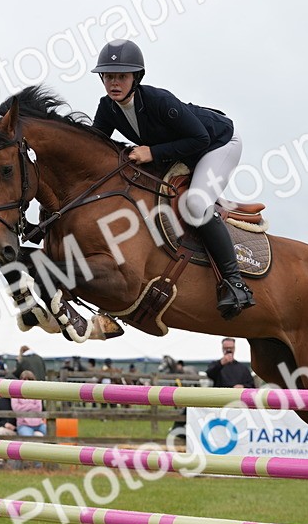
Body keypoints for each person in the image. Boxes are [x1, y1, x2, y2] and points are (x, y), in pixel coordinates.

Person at [91, 38, 254, 320]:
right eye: (108, 77)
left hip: (218, 144)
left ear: (136, 78)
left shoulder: (158, 100)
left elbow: (199, 138)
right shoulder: (108, 108)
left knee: (194, 205)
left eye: (121, 76)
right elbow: (95, 146)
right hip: (182, 151)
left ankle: (235, 283)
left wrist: (151, 152)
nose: (114, 83)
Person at [12, 371, 47, 437]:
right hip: (23, 424)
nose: (27, 381)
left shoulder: (36, 392)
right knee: (28, 438)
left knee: (51, 434)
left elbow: (38, 408)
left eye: (29, 379)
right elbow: (16, 409)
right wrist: (31, 406)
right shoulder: (15, 393)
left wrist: (24, 407)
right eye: (24, 379)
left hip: (39, 424)